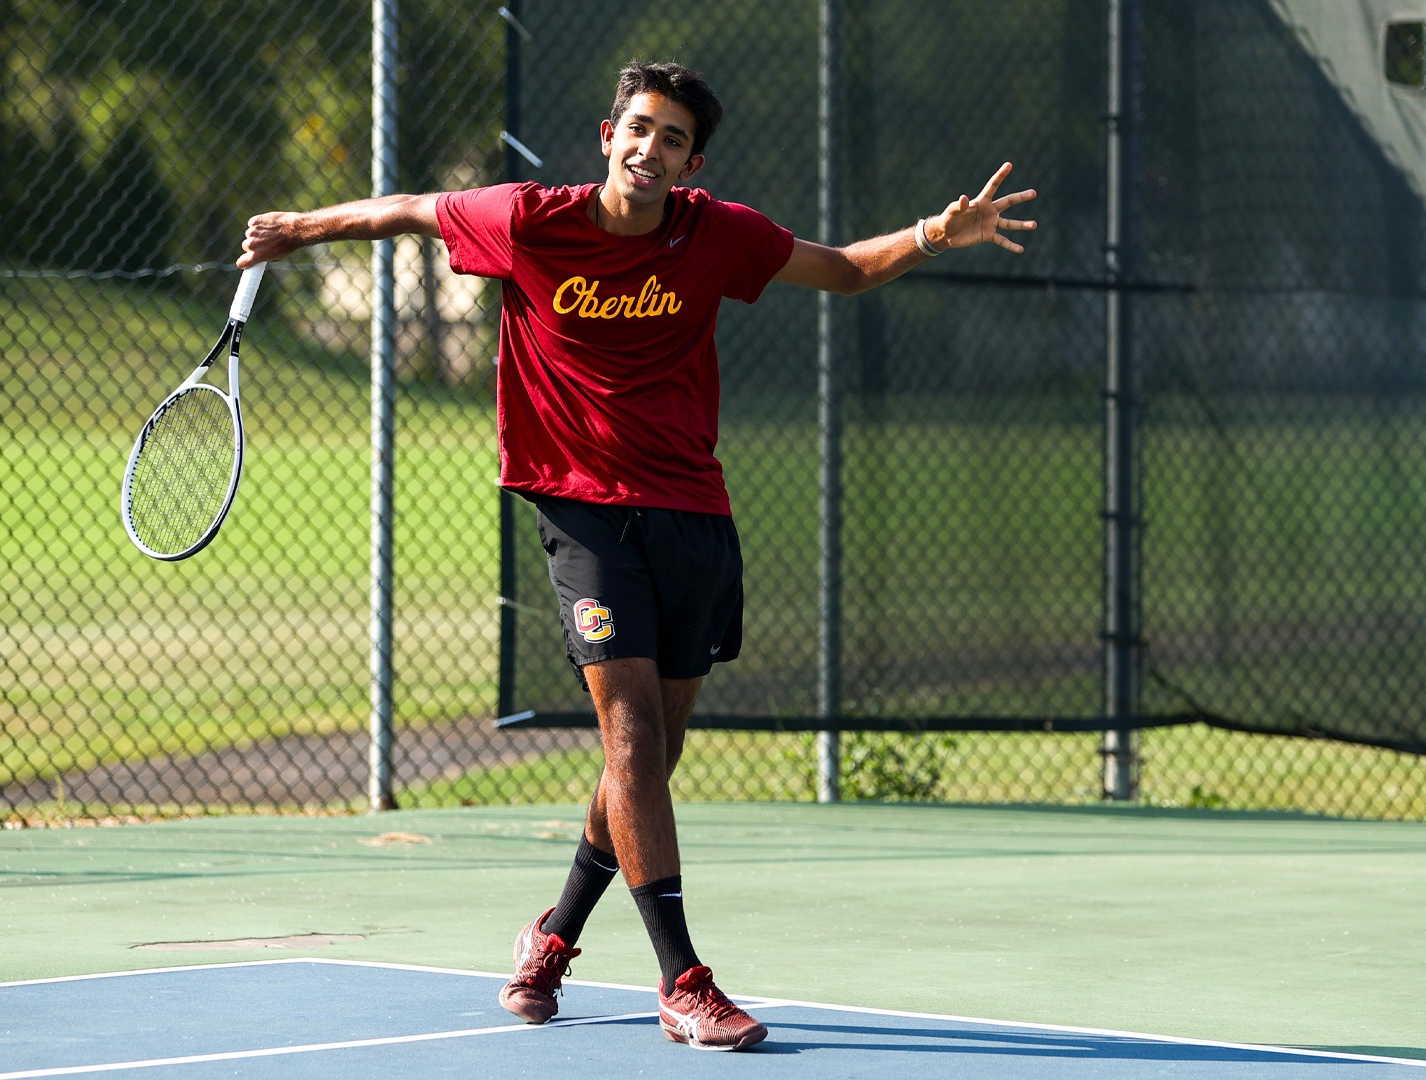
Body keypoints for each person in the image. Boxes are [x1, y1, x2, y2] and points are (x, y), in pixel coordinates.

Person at [239, 59, 1035, 1052]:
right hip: (580, 515)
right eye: (638, 129)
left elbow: (841, 270)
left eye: (672, 139)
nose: (649, 149)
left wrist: (932, 234)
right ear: (607, 135)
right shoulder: (528, 220)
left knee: (650, 757)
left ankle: (555, 933)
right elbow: (407, 210)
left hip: (692, 513)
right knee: (631, 743)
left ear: (691, 161)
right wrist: (294, 229)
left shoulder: (718, 235)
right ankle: (685, 982)